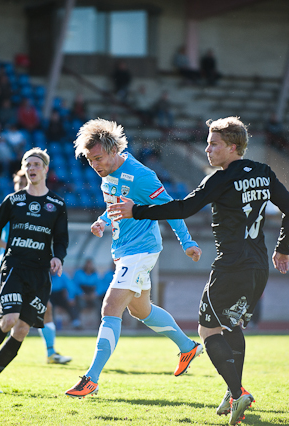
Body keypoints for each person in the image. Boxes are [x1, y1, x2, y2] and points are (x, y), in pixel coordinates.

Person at [107, 116, 289, 425]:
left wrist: (138, 210)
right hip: (259, 265)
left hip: (231, 266)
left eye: (213, 144)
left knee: (207, 330)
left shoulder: (219, 179)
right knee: (231, 325)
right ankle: (233, 390)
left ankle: (238, 393)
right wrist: (283, 248)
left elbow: (183, 208)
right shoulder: (264, 173)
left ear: (232, 147)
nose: (207, 149)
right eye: (207, 143)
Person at [65, 118, 203, 399]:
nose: (95, 165)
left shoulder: (141, 176)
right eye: (90, 160)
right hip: (124, 249)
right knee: (140, 310)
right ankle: (188, 346)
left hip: (142, 249)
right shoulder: (107, 173)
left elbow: (171, 209)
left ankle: (91, 379)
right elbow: (117, 204)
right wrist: (103, 220)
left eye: (98, 159)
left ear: (114, 150)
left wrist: (187, 242)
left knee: (111, 306)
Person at [0, 148, 69, 393]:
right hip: (13, 268)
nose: (31, 168)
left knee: (22, 329)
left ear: (45, 169)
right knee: (8, 320)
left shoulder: (57, 204)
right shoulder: (13, 201)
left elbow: (61, 239)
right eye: (27, 165)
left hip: (40, 274)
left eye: (35, 164)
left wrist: (58, 258)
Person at [0, 170, 72, 363]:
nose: (23, 185)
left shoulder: (46, 205)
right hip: (9, 266)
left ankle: (51, 352)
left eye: (25, 181)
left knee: (46, 308)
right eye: (19, 182)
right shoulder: (13, 205)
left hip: (34, 268)